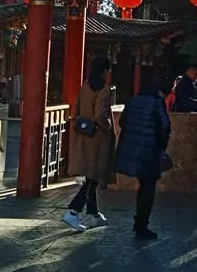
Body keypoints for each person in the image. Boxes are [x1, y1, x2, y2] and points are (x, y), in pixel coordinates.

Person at [62, 56, 116, 232]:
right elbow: (100, 114)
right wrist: (108, 126)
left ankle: (94, 215)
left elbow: (76, 110)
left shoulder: (84, 86)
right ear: (105, 71)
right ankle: (73, 211)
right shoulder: (104, 90)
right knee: (93, 178)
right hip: (98, 138)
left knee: (91, 176)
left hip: (85, 135)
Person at [114, 77, 172, 240]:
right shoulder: (157, 102)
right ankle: (141, 225)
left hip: (132, 150)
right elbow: (165, 126)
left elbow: (123, 122)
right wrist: (162, 145)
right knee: (148, 188)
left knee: (143, 185)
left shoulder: (134, 100)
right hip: (149, 151)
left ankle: (139, 223)